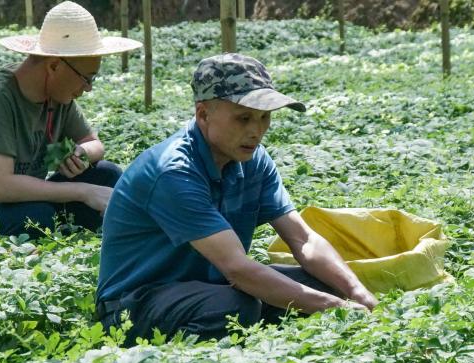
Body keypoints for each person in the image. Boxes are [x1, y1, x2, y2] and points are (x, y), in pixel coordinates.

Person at [96, 53, 378, 343]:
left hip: (211, 288)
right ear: (203, 114)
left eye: (264, 117)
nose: (256, 132)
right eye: (243, 118)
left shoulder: (253, 160)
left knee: (327, 284)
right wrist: (337, 309)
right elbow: (238, 270)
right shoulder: (173, 171)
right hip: (134, 306)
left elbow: (303, 240)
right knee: (237, 307)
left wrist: (354, 292)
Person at [0, 2, 141, 244]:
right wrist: (83, 192)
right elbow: (3, 188)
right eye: (86, 79)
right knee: (39, 216)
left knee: (107, 175)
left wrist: (80, 153)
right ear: (54, 65)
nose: (88, 88)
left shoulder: (58, 97)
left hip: (19, 205)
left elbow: (93, 143)